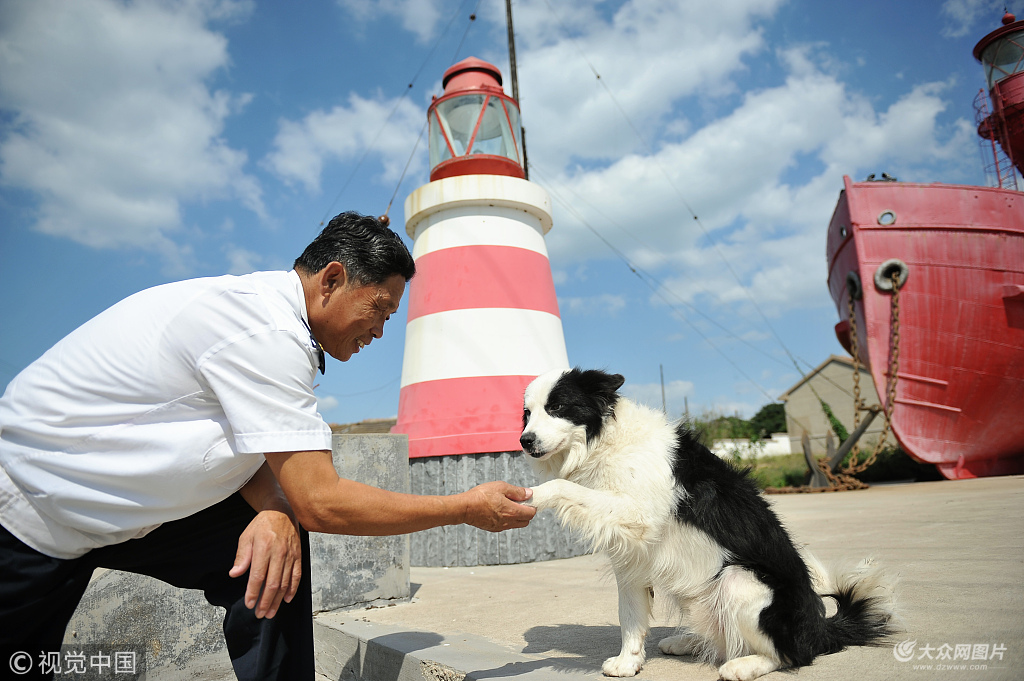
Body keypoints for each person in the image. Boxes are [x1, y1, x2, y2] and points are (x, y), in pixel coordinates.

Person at [0, 211, 537, 680]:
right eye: (379, 308)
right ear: (332, 279)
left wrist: (276, 508)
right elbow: (322, 501)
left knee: (276, 550)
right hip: (30, 506)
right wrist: (463, 507)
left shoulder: (272, 323)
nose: (380, 329)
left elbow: (242, 443)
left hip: (113, 509)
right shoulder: (263, 332)